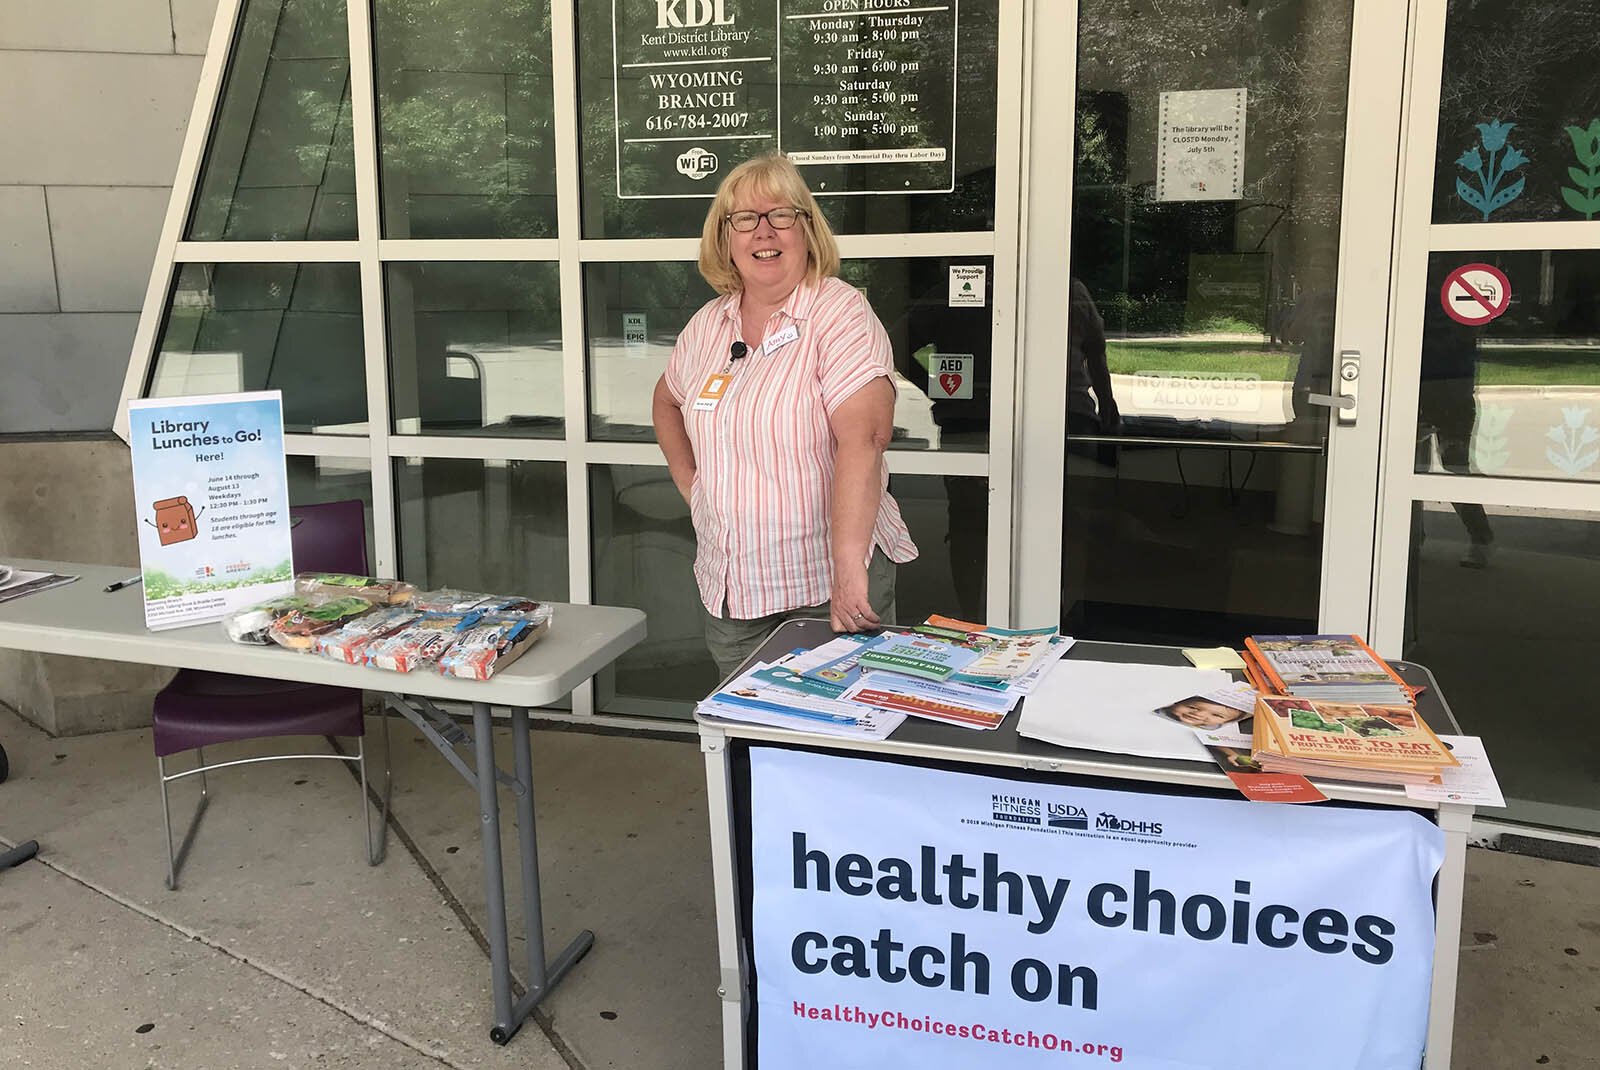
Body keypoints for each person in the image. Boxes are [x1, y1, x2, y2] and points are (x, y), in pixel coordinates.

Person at [652, 154, 919, 677]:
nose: (763, 231)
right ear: (725, 237)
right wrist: (696, 488)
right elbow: (667, 402)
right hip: (734, 588)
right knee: (746, 742)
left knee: (836, 740)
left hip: (825, 586)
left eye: (781, 215)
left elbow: (863, 440)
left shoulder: (838, 313)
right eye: (744, 219)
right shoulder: (709, 324)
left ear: (807, 228)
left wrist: (847, 571)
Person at [1156, 695, 1250, 729]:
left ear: (1226, 722)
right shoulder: (1162, 712)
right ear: (1175, 703)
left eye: (1217, 715)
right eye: (1192, 707)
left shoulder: (1213, 727)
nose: (1198, 714)